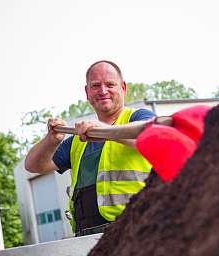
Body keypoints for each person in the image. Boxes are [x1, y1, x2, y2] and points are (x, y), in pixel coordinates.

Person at [25, 60, 155, 236]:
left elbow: (153, 136)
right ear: (87, 92)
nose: (102, 91)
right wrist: (51, 140)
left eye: (110, 84)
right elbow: (33, 165)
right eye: (95, 85)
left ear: (123, 88)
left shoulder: (139, 117)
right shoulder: (77, 140)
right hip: (88, 236)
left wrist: (105, 130)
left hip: (137, 230)